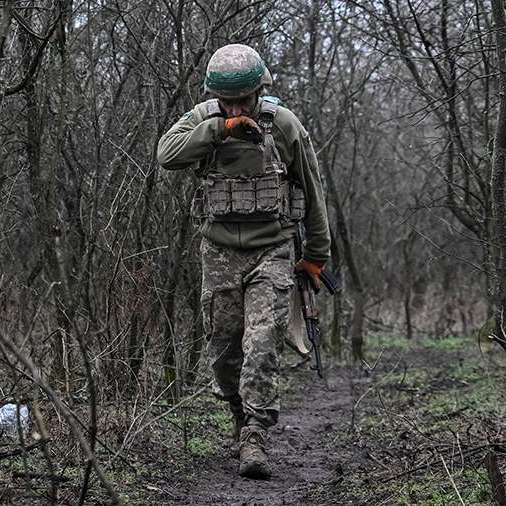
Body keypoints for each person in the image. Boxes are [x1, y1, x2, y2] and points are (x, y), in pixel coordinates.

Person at [156, 44, 330, 480]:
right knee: (224, 347)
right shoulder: (202, 119)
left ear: (259, 91)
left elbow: (312, 191)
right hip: (218, 253)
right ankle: (238, 413)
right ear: (216, 95)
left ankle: (255, 433)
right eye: (227, 100)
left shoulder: (283, 124)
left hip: (272, 248)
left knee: (262, 340)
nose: (237, 107)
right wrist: (220, 128)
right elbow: (166, 155)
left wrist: (315, 256)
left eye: (243, 100)